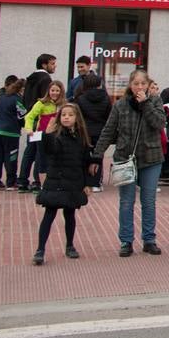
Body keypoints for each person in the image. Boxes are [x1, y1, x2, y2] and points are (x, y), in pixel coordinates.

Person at [94, 69, 166, 257]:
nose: (139, 87)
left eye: (143, 84)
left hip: (151, 157)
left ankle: (149, 239)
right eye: (136, 84)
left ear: (148, 85)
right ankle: (126, 241)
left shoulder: (155, 101)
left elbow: (159, 123)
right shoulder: (120, 105)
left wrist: (146, 105)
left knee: (148, 201)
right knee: (127, 201)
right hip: (126, 157)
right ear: (130, 85)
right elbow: (109, 130)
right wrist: (96, 154)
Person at [32, 103, 98, 266]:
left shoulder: (82, 138)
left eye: (70, 115)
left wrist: (88, 183)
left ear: (77, 119)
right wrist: (46, 134)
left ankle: (70, 245)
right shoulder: (55, 136)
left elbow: (87, 162)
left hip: (74, 180)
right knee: (49, 214)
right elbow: (49, 150)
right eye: (63, 115)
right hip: (56, 181)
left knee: (70, 214)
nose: (66, 117)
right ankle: (40, 249)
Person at [20, 80, 66, 193]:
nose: (54, 93)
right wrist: (29, 129)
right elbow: (29, 116)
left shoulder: (64, 104)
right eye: (52, 90)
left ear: (61, 92)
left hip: (57, 136)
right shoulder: (41, 103)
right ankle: (38, 182)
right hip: (41, 135)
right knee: (41, 159)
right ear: (48, 91)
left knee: (55, 158)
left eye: (57, 91)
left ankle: (53, 180)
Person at [75, 73, 112, 191]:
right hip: (101, 131)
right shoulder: (106, 98)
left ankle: (85, 181)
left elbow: (78, 116)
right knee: (98, 156)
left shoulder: (80, 98)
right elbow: (109, 116)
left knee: (84, 156)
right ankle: (96, 182)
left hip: (84, 132)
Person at [0, 76, 26, 190]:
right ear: (22, 89)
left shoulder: (3, 98)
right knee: (11, 157)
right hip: (11, 132)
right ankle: (11, 182)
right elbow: (22, 116)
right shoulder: (17, 99)